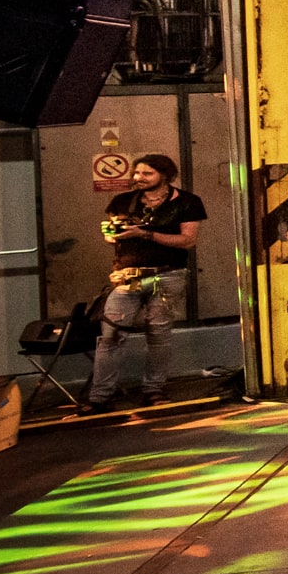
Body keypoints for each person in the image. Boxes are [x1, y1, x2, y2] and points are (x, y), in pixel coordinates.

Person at [86, 154, 207, 411]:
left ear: (165, 175)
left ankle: (154, 390)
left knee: (159, 335)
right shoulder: (122, 201)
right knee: (110, 335)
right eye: (137, 173)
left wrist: (144, 233)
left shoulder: (187, 202)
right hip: (127, 276)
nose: (138, 178)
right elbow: (112, 236)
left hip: (167, 274)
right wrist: (112, 233)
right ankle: (100, 396)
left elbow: (187, 240)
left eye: (146, 174)